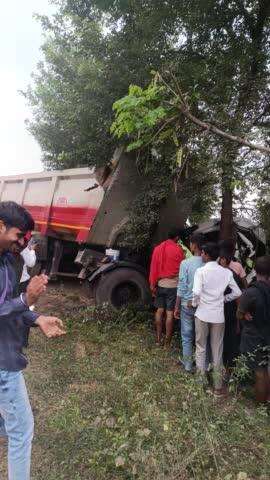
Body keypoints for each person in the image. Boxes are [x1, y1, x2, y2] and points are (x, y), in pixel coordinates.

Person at [0, 201, 66, 480]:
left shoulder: (6, 260)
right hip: (3, 364)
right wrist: (27, 299)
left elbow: (9, 304)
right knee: (21, 432)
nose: (21, 244)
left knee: (8, 424)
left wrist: (36, 318)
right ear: (1, 226)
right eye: (18, 235)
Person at [192, 242, 242, 396]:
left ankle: (200, 384)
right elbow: (238, 292)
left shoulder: (200, 271)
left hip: (202, 314)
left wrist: (194, 303)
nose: (201, 255)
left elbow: (197, 292)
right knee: (217, 350)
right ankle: (218, 387)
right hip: (218, 316)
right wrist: (223, 299)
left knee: (201, 348)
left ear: (206, 255)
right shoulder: (226, 273)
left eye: (203, 253)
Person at [237, 256, 270, 403]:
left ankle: (260, 404)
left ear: (255, 270)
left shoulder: (251, 292)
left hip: (255, 337)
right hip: (267, 334)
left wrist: (244, 314)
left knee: (260, 371)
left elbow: (239, 313)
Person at [149, 228, 185, 347]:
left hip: (160, 284)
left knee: (159, 311)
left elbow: (153, 268)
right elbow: (182, 269)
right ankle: (167, 343)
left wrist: (152, 284)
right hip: (173, 286)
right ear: (177, 238)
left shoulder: (158, 248)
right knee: (170, 313)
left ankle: (158, 339)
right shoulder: (179, 250)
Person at [174, 233, 205, 372]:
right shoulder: (208, 264)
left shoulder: (185, 263)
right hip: (203, 305)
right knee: (202, 338)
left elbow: (181, 286)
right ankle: (202, 367)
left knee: (187, 336)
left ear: (193, 245)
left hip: (186, 304)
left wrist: (176, 306)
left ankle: (187, 365)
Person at [219, 250, 243, 374]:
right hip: (228, 313)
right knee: (228, 341)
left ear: (223, 259)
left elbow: (238, 297)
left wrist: (239, 320)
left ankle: (227, 369)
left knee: (226, 341)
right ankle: (228, 369)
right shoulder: (232, 274)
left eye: (220, 258)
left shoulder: (228, 275)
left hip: (226, 314)